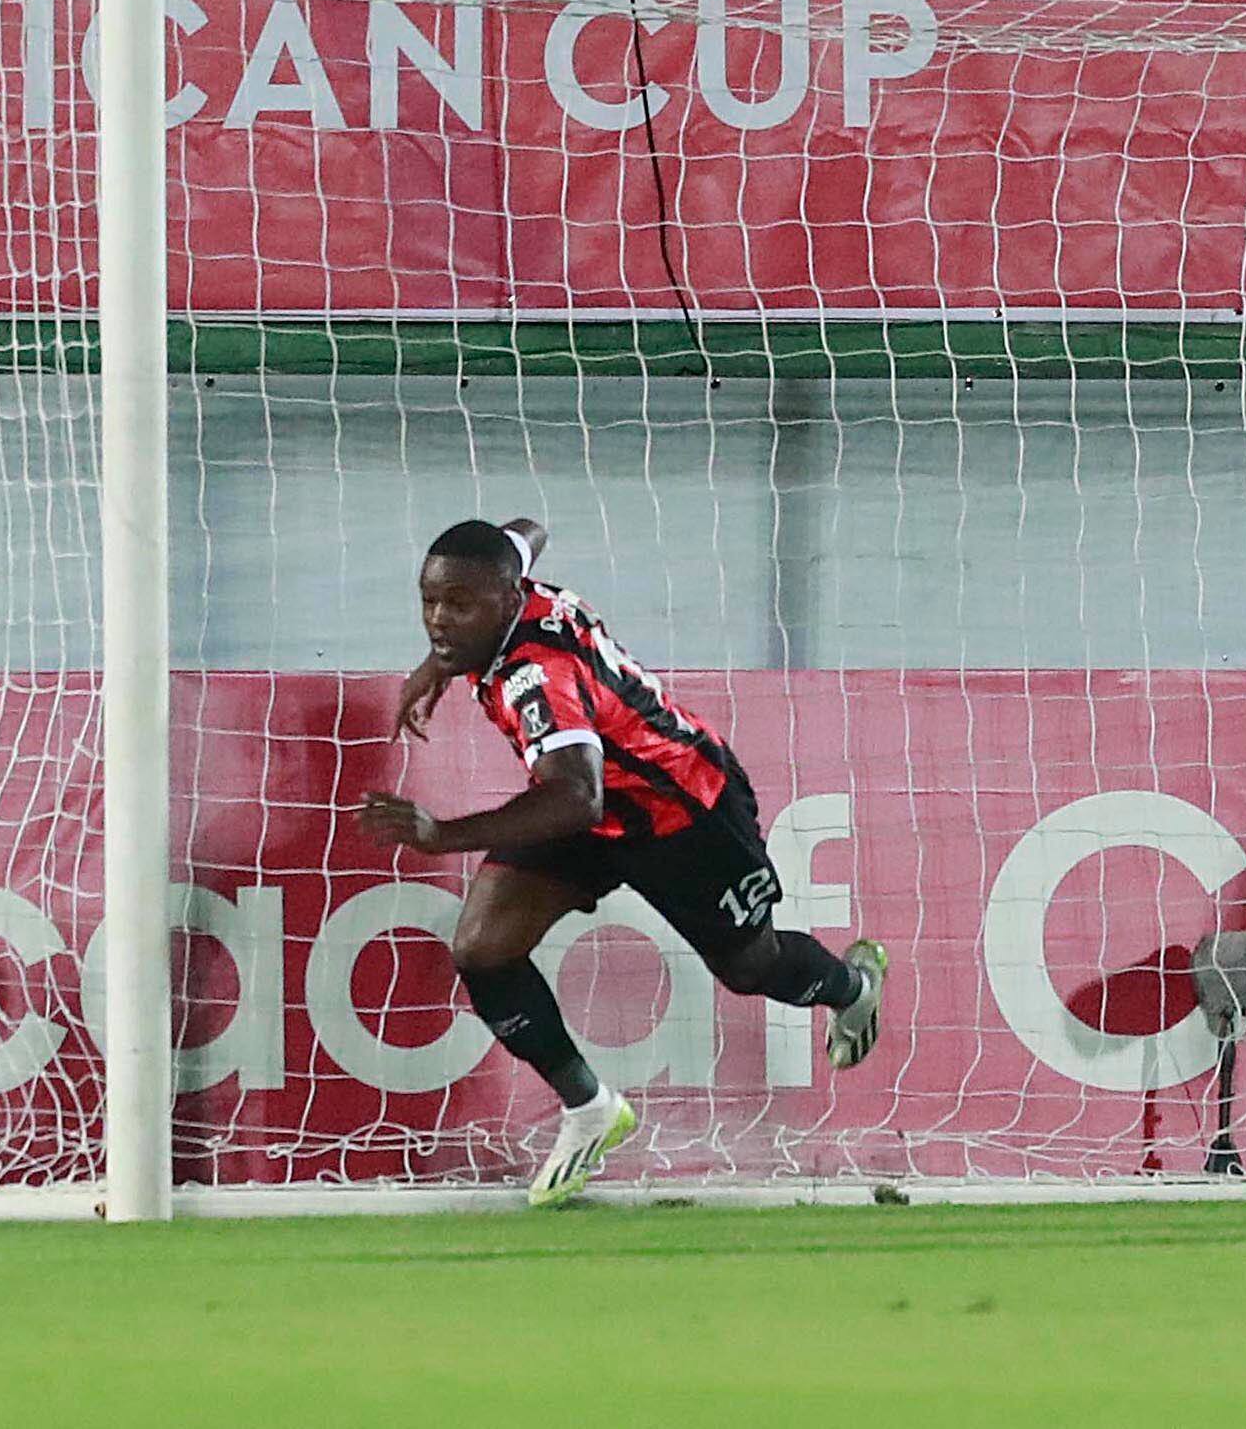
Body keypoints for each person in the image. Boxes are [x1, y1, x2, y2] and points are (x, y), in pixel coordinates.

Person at [359, 514, 889, 1210]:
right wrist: (441, 658)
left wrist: (438, 832)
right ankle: (590, 1107)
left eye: (458, 604)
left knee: (747, 967)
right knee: (483, 948)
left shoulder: (533, 676)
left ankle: (850, 986)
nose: (438, 617)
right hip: (593, 807)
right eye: (430, 600)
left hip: (684, 811)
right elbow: (529, 529)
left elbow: (576, 796)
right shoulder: (506, 584)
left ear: (506, 596)